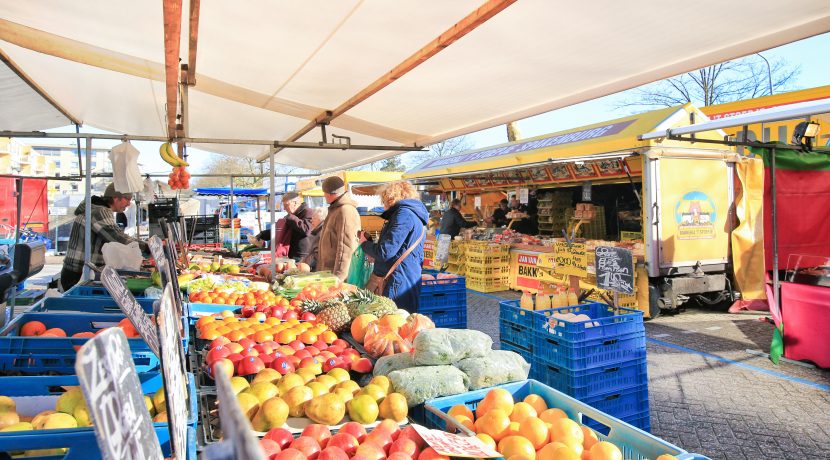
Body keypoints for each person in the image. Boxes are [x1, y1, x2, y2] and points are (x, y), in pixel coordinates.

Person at [61, 183, 148, 291]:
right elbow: (116, 237)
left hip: (78, 271)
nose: (129, 203)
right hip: (78, 275)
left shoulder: (97, 209)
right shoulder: (98, 211)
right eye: (127, 199)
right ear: (116, 198)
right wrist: (147, 247)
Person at [360, 181, 428, 311]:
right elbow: (396, 249)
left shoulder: (404, 215)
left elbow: (385, 251)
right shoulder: (413, 214)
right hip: (404, 277)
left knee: (393, 323)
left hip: (397, 282)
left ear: (390, 198)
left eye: (384, 199)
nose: (383, 204)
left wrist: (364, 243)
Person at [317, 176, 361, 280]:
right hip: (328, 273)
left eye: (324, 193)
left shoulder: (345, 211)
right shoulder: (336, 209)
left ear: (329, 193)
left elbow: (346, 248)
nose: (324, 196)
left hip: (335, 276)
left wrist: (339, 278)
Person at [250, 192, 313, 260]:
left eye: (286, 205)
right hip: (289, 253)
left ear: (295, 203)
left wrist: (291, 217)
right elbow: (280, 230)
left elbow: (307, 230)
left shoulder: (308, 212)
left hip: (301, 255)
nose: (284, 208)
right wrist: (263, 234)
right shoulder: (291, 215)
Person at [301, 207, 328, 271]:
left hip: (316, 270)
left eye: (314, 218)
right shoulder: (318, 231)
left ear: (320, 219)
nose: (311, 220)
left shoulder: (321, 232)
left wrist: (305, 263)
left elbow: (316, 255)